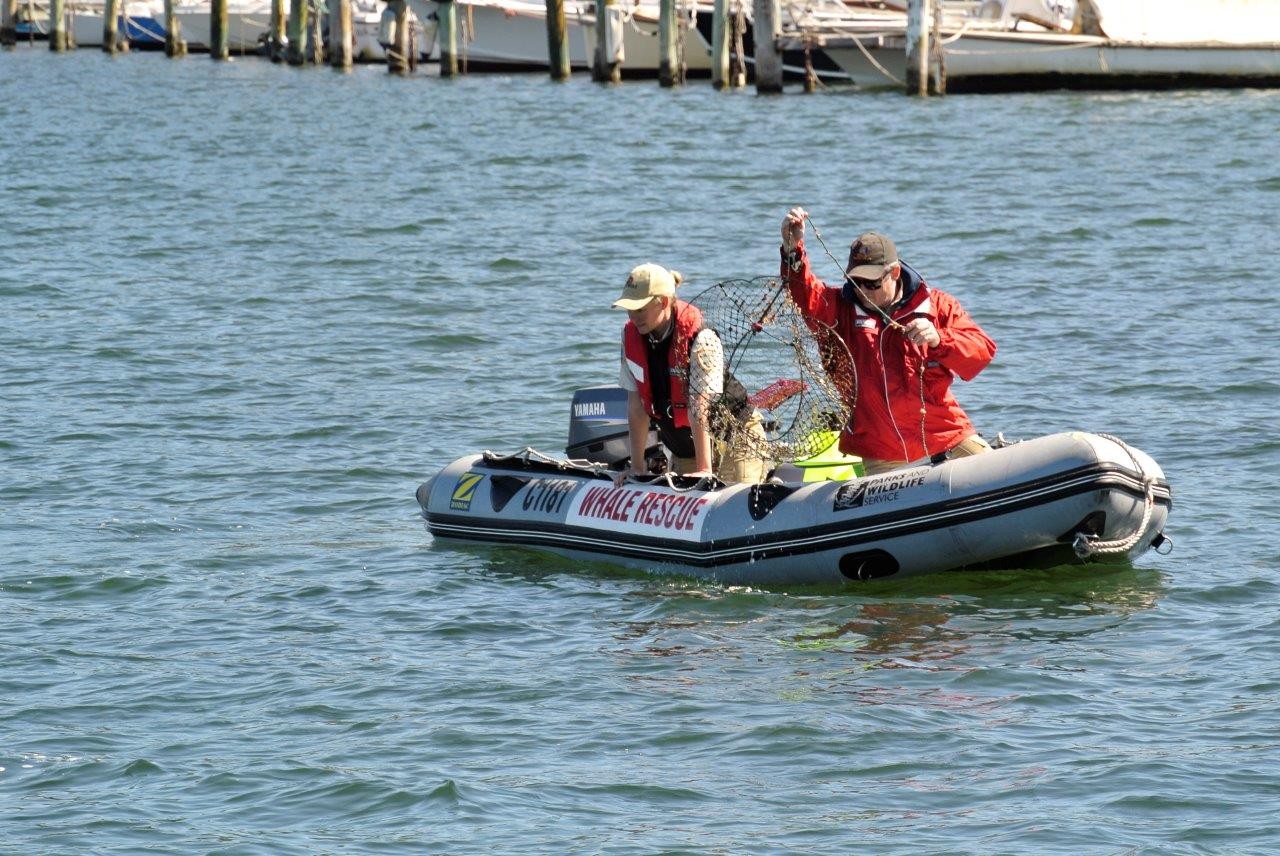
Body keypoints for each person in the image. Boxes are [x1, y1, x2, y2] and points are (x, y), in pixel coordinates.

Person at [780, 207, 996, 476]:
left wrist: (940, 339)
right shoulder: (839, 309)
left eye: (871, 283)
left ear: (893, 273)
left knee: (999, 473)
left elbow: (982, 350)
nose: (863, 290)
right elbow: (804, 295)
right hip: (883, 452)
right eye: (856, 281)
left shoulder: (937, 305)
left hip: (947, 436)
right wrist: (792, 249)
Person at [612, 263, 768, 484]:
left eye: (640, 309)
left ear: (663, 302)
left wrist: (704, 469)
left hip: (735, 439)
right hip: (685, 449)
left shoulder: (701, 339)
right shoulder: (630, 338)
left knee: (730, 499)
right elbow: (637, 406)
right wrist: (637, 467)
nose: (633, 316)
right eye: (629, 308)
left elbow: (699, 405)